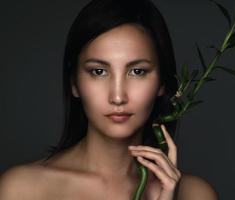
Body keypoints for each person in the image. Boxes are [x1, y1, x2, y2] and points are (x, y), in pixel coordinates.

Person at [0, 0, 218, 199]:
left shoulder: (195, 195)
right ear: (74, 83)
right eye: (98, 72)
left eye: (137, 72)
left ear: (162, 82)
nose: (117, 97)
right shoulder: (22, 189)